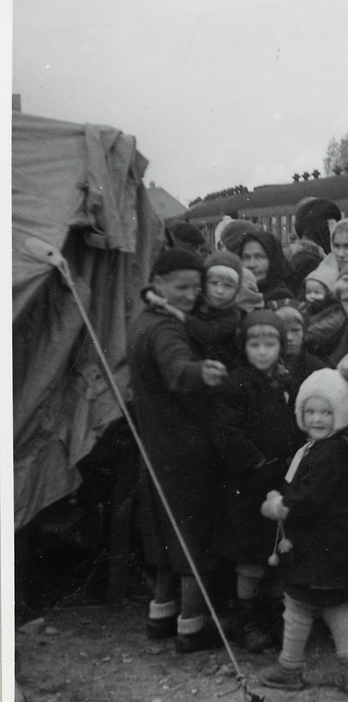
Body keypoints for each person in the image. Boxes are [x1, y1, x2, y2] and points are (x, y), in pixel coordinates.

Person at [128, 248, 230, 652]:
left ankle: (161, 614)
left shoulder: (144, 319)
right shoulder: (167, 329)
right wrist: (200, 372)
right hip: (187, 448)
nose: (190, 295)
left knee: (166, 531)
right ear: (158, 283)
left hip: (157, 445)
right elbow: (176, 369)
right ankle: (192, 626)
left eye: (195, 287)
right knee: (192, 535)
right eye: (181, 287)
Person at [259, 369, 348, 694]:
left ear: (341, 414)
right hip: (329, 551)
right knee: (336, 608)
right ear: (301, 414)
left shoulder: (331, 453)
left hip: (317, 550)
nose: (317, 419)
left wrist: (281, 505)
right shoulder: (315, 449)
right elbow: (300, 486)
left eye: (326, 412)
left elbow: (309, 498)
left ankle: (290, 669)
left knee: (298, 606)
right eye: (310, 411)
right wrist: (281, 494)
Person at [211, 310, 306, 652]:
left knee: (279, 547)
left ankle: (277, 618)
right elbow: (227, 431)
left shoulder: (287, 382)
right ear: (244, 347)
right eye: (255, 345)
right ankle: (246, 620)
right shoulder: (236, 383)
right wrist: (256, 462)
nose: (262, 352)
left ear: (280, 347)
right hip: (248, 482)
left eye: (270, 344)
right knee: (250, 555)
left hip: (282, 479)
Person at [142, 251, 244, 370]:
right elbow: (153, 290)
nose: (220, 291)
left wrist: (176, 312)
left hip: (219, 367)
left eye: (228, 286)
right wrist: (152, 296)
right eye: (214, 283)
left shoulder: (232, 315)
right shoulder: (198, 298)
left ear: (237, 290)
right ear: (204, 283)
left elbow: (208, 333)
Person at [274, 305, 326, 386]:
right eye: (283, 331)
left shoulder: (317, 369)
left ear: (303, 332)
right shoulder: (266, 366)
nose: (289, 338)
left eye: (295, 330)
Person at [239, 228, 296, 301]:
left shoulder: (279, 296)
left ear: (273, 259)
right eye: (246, 257)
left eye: (259, 257)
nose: (251, 264)